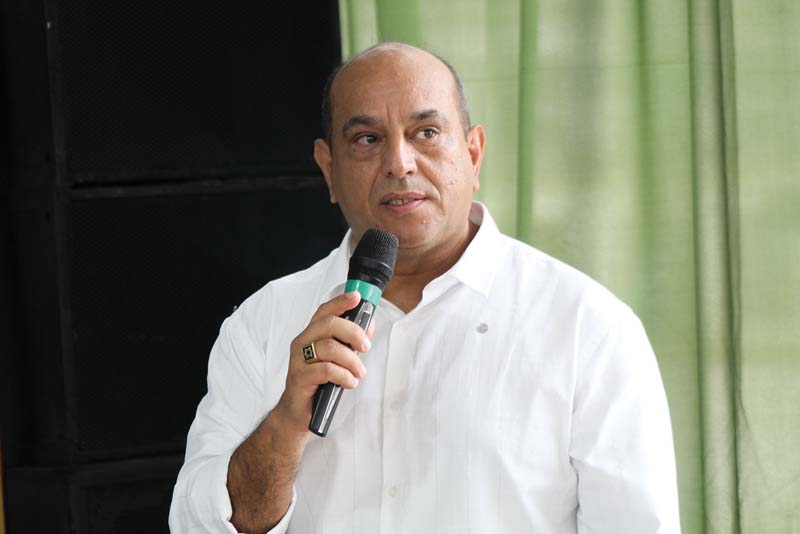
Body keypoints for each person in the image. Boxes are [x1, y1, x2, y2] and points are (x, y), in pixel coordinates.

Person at [169, 42, 681, 533]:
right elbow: (198, 526)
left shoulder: (587, 327)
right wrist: (284, 424)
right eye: (367, 139)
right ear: (329, 170)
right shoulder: (262, 324)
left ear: (473, 154)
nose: (400, 162)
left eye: (426, 132)